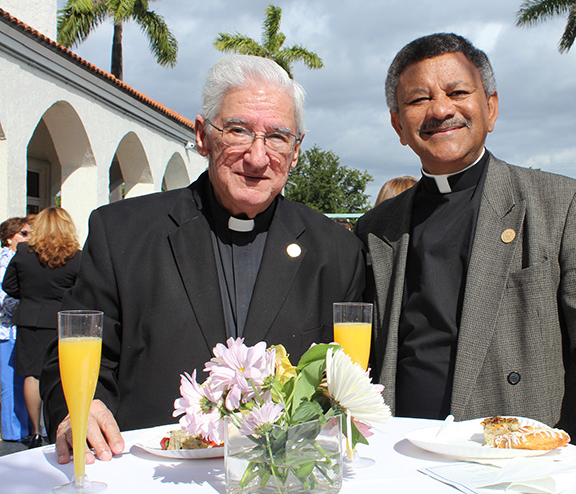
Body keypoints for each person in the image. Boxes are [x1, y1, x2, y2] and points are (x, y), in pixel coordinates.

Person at [354, 33, 576, 493]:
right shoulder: (376, 228)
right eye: (420, 99)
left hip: (519, 466)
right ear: (398, 125)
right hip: (402, 459)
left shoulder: (560, 204)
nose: (440, 109)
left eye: (458, 92)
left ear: (491, 107)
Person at [39, 54, 366, 466]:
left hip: (283, 481)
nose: (257, 157)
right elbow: (69, 357)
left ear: (296, 150)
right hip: (152, 475)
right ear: (202, 135)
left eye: (278, 137)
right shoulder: (122, 233)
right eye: (238, 131)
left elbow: (348, 381)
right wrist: (77, 412)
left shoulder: (336, 251)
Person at [2, 208, 81, 449]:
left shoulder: (24, 253)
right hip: (62, 321)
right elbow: (82, 289)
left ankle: (35, 432)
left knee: (33, 375)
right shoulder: (76, 256)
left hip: (31, 320)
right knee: (65, 375)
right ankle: (61, 427)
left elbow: (9, 286)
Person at [0, 216, 33, 443]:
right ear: (10, 238)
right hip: (6, 333)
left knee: (22, 383)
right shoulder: (5, 261)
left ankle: (24, 430)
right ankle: (13, 434)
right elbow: (4, 298)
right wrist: (29, 304)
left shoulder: (20, 258)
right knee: (10, 386)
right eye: (23, 234)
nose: (28, 238)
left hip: (18, 332)